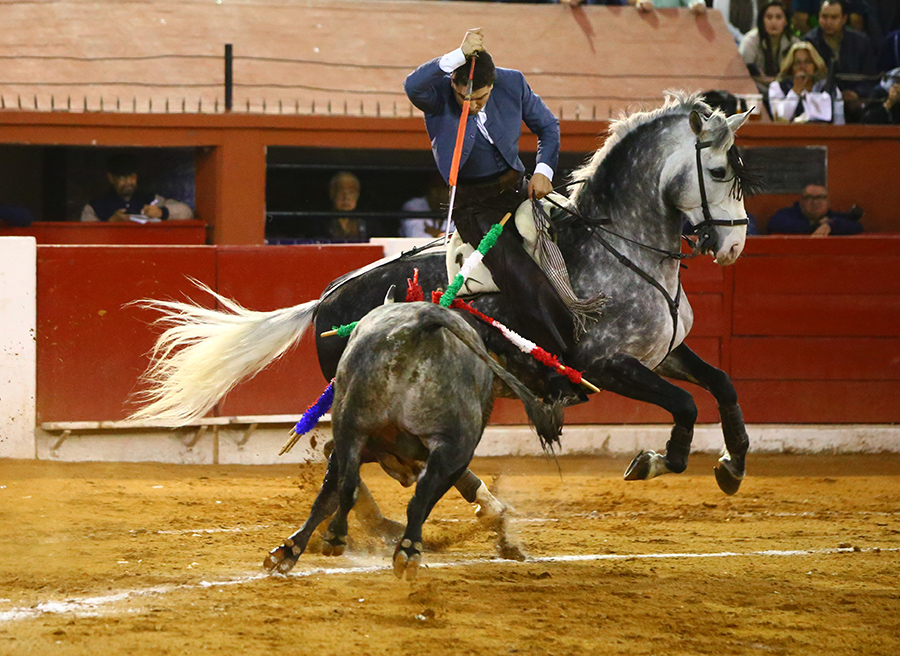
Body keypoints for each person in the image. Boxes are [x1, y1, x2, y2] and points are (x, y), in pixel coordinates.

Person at [404, 28, 586, 391]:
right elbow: (412, 85)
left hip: (518, 189)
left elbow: (548, 126)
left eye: (479, 97)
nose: (470, 105)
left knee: (581, 233)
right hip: (474, 206)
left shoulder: (512, 82)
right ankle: (552, 365)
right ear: (453, 84)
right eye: (463, 97)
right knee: (521, 273)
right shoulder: (437, 95)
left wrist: (544, 171)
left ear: (493, 84)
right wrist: (458, 55)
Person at [804, 0, 878, 111]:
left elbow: (870, 78)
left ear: (844, 19)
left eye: (834, 17)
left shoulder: (861, 42)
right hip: (819, 103)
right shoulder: (809, 43)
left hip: (856, 105)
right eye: (824, 17)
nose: (828, 22)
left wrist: (857, 93)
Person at [81, 153, 194, 223]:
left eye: (132, 176)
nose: (129, 182)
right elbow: (87, 237)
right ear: (111, 178)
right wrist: (110, 223)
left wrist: (161, 212)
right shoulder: (96, 206)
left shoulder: (151, 199)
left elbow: (187, 212)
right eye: (123, 177)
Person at [740, 1, 801, 93]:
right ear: (762, 20)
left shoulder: (793, 42)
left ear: (786, 22)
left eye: (778, 17)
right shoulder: (750, 40)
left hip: (786, 89)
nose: (773, 22)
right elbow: (743, 71)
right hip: (756, 89)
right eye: (769, 17)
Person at [768, 42, 837, 121]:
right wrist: (795, 92)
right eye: (797, 63)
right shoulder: (777, 87)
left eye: (807, 62)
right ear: (791, 67)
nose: (802, 67)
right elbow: (781, 117)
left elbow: (839, 120)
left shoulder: (828, 88)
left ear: (815, 65)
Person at [767, 184, 863, 235]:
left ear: (828, 202)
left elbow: (857, 226)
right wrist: (815, 225)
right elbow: (775, 223)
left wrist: (831, 225)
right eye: (809, 197)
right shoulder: (787, 215)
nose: (815, 202)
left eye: (820, 197)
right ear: (801, 201)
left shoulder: (833, 217)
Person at [399, 173, 450, 239]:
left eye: (444, 186)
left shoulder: (457, 206)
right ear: (427, 189)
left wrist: (437, 233)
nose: (440, 191)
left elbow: (459, 239)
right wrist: (446, 235)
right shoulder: (413, 205)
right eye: (435, 186)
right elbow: (416, 236)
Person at [327, 171, 367, 241]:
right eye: (340, 191)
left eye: (351, 192)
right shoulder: (320, 225)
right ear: (332, 194)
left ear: (357, 195)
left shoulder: (368, 224)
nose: (346, 197)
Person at [630, 0, 707, 15]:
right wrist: (641, 5)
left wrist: (697, 4)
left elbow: (695, 2)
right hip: (649, 29)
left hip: (676, 28)